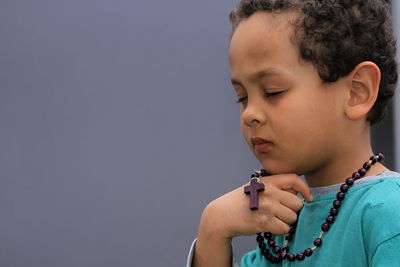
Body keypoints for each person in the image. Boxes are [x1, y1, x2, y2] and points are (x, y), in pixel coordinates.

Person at [187, 0, 399, 266]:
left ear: (358, 91)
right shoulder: (280, 226)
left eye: (272, 92)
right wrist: (213, 229)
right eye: (241, 97)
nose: (250, 114)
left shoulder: (389, 212)